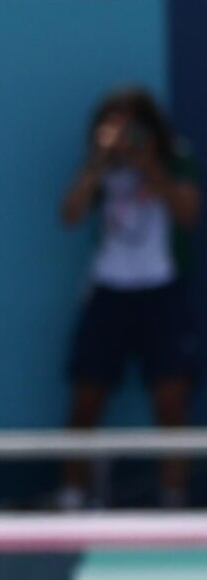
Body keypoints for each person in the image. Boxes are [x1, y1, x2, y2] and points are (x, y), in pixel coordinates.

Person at [59, 87, 201, 507]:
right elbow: (69, 215)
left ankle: (173, 495)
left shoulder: (174, 157)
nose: (124, 136)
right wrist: (99, 163)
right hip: (109, 290)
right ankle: (71, 492)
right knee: (87, 395)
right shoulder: (99, 165)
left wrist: (148, 166)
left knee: (171, 397)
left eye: (132, 126)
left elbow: (189, 213)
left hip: (161, 290)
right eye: (114, 125)